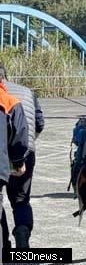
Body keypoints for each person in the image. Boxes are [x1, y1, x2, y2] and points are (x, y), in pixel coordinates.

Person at [0, 63, 44, 248]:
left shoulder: (6, 97)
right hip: (25, 152)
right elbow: (40, 123)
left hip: (4, 152)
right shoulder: (26, 92)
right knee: (20, 200)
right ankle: (22, 238)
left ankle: (5, 247)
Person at [0, 78, 29, 262]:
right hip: (8, 161)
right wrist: (18, 162)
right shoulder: (9, 100)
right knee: (20, 201)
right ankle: (21, 238)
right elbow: (21, 135)